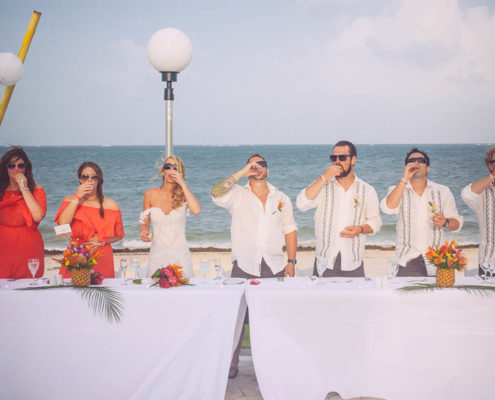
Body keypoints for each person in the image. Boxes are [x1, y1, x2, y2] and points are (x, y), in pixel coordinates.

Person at [211, 153, 297, 378]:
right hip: (243, 265)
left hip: (275, 265)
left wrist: (291, 261)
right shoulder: (237, 194)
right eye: (253, 164)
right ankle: (230, 367)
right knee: (236, 320)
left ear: (268, 169)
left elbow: (290, 229)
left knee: (273, 319)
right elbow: (215, 193)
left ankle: (272, 366)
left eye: (262, 164)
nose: (258, 167)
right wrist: (242, 172)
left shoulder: (281, 197)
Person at [297, 140, 382, 277]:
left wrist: (360, 229)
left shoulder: (367, 190)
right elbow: (302, 203)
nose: (337, 161)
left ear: (353, 160)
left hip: (353, 262)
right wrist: (324, 177)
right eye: (333, 158)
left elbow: (375, 222)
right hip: (324, 262)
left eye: (342, 158)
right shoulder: (322, 186)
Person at [381, 148, 463, 276]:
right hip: (408, 259)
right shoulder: (396, 189)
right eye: (411, 161)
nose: (416, 163)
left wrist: (445, 222)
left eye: (421, 161)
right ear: (406, 167)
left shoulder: (443, 191)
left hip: (438, 259)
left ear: (428, 167)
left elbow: (457, 224)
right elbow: (387, 208)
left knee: (439, 295)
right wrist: (404, 179)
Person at [55, 161, 124, 279]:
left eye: (94, 177)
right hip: (75, 255)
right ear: (80, 180)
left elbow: (119, 235)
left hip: (101, 255)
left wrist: (102, 239)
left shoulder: (111, 205)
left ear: (99, 180)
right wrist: (77, 197)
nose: (89, 180)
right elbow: (62, 224)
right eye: (85, 176)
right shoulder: (69, 200)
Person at [139, 156, 200, 278]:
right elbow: (144, 224)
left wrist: (182, 183)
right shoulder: (150, 194)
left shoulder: (185, 195)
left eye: (175, 168)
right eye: (167, 167)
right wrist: (144, 232)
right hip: (157, 252)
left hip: (180, 253)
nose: (171, 170)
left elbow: (196, 210)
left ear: (181, 173)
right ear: (163, 172)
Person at [0, 146, 47, 279]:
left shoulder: (36, 189)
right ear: (5, 167)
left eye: (20, 165)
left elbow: (38, 216)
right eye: (11, 165)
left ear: (26, 168)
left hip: (28, 248)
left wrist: (24, 188)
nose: (16, 169)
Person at [461, 146, 495, 276]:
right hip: (489, 264)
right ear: (489, 165)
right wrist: (492, 177)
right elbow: (466, 194)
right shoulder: (482, 193)